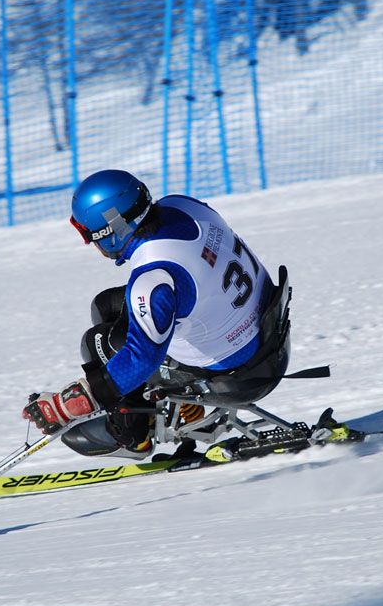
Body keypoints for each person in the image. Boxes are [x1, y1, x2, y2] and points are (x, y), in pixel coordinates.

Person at [22, 169, 289, 459]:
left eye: (88, 235)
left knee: (99, 341)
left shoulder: (152, 280)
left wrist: (68, 404)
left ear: (111, 231)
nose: (90, 244)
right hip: (265, 335)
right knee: (105, 306)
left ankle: (133, 436)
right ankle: (169, 409)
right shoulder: (183, 205)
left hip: (236, 373)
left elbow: (141, 359)